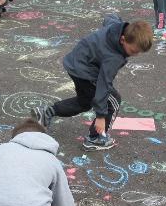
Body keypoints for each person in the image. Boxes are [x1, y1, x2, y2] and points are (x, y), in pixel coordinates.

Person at [31, 15, 153, 151]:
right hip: (86, 72)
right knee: (113, 101)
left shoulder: (116, 28)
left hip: (75, 63)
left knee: (84, 102)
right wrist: (101, 116)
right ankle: (95, 139)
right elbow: (103, 83)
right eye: (133, 51)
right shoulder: (114, 58)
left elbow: (111, 18)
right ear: (123, 39)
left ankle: (47, 112)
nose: (134, 55)